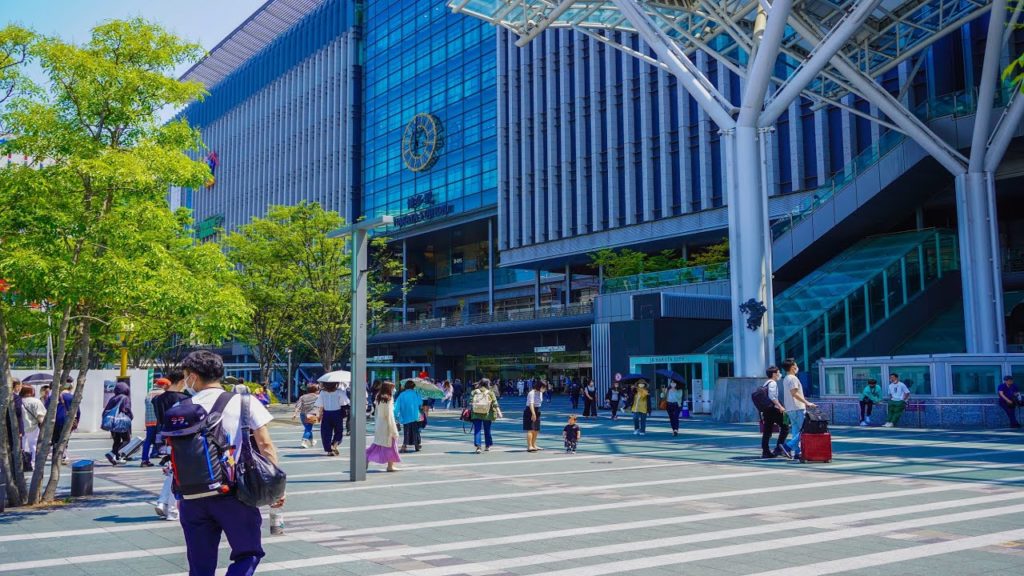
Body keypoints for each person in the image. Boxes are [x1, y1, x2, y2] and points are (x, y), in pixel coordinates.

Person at [176, 350, 283, 576]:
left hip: (191, 496)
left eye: (185, 374)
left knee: (200, 565)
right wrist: (276, 488)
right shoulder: (245, 402)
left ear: (192, 376)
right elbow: (265, 445)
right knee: (248, 553)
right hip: (235, 494)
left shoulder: (180, 409)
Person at [152, 368, 189, 521]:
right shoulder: (184, 398)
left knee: (173, 471)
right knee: (178, 474)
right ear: (181, 381)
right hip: (182, 439)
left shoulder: (158, 399)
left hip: (166, 438)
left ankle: (163, 503)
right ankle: (172, 509)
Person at [780, 358, 815, 460]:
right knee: (804, 430)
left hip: (790, 408)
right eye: (795, 365)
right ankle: (787, 446)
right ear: (792, 367)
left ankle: (797, 452)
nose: (797, 367)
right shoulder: (793, 379)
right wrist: (807, 403)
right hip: (798, 407)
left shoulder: (786, 378)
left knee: (796, 431)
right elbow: (794, 393)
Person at [366, 381, 401, 472]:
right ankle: (390, 466)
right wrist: (394, 430)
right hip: (387, 425)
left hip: (380, 424)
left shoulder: (379, 397)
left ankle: (366, 457)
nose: (394, 390)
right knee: (391, 446)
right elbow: (389, 416)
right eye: (392, 388)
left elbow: (377, 413)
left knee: (378, 444)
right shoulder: (388, 399)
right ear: (389, 389)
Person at [758, 366, 790, 459]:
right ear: (774, 374)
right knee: (785, 427)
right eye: (778, 372)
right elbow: (772, 397)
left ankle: (766, 451)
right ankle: (779, 448)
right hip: (773, 409)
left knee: (767, 431)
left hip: (767, 410)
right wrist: (781, 407)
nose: (779, 374)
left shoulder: (766, 383)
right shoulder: (772, 383)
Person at [46, 380, 77, 465]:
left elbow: (46, 407)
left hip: (54, 420)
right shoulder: (71, 397)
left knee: (55, 438)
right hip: (67, 420)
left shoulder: (52, 396)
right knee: (64, 438)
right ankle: (62, 455)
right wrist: (77, 421)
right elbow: (77, 411)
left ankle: (55, 456)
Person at [141, 378, 171, 467]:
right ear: (164, 385)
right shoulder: (163, 394)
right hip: (159, 421)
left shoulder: (148, 394)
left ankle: (144, 460)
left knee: (148, 441)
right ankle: (167, 459)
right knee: (165, 440)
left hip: (149, 421)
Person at [103, 381, 133, 466]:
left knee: (116, 440)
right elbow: (127, 410)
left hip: (112, 423)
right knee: (127, 440)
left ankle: (116, 457)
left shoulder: (112, 398)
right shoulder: (125, 398)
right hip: (121, 422)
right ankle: (112, 453)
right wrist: (130, 417)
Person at [470, 379, 501, 454]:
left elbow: (470, 402)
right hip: (487, 414)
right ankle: (487, 446)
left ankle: (478, 447)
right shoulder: (490, 392)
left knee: (477, 430)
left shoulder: (474, 392)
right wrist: (499, 412)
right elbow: (495, 403)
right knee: (487, 430)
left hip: (476, 413)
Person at [316, 381, 346, 456]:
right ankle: (334, 446)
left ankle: (329, 450)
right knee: (339, 431)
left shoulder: (322, 392)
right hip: (337, 413)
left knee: (326, 432)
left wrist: (319, 415)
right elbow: (343, 403)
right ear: (336, 384)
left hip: (326, 413)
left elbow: (320, 405)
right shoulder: (339, 392)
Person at [19, 383, 44, 472]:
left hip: (20, 427)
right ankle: (32, 463)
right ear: (31, 391)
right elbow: (41, 415)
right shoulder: (36, 401)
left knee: (21, 446)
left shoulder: (18, 400)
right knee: (33, 445)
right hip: (33, 427)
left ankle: (21, 463)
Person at [396, 381, 424, 452]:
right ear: (413, 387)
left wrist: (395, 415)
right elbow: (420, 403)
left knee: (406, 431)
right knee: (415, 430)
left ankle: (404, 446)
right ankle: (416, 445)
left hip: (405, 415)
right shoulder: (415, 393)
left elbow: (397, 405)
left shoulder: (402, 394)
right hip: (414, 415)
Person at [293, 383, 320, 449]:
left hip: (303, 414)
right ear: (315, 390)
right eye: (318, 389)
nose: (319, 391)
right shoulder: (318, 397)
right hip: (311, 414)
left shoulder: (302, 397)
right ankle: (304, 441)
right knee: (308, 429)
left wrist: (295, 414)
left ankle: (312, 441)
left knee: (308, 428)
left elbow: (298, 406)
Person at [524, 381, 545, 452]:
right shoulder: (531, 393)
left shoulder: (540, 393)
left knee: (536, 429)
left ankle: (534, 444)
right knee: (530, 429)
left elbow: (539, 403)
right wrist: (533, 413)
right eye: (543, 387)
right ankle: (529, 446)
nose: (544, 389)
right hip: (530, 410)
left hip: (537, 410)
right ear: (539, 386)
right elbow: (531, 404)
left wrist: (537, 412)